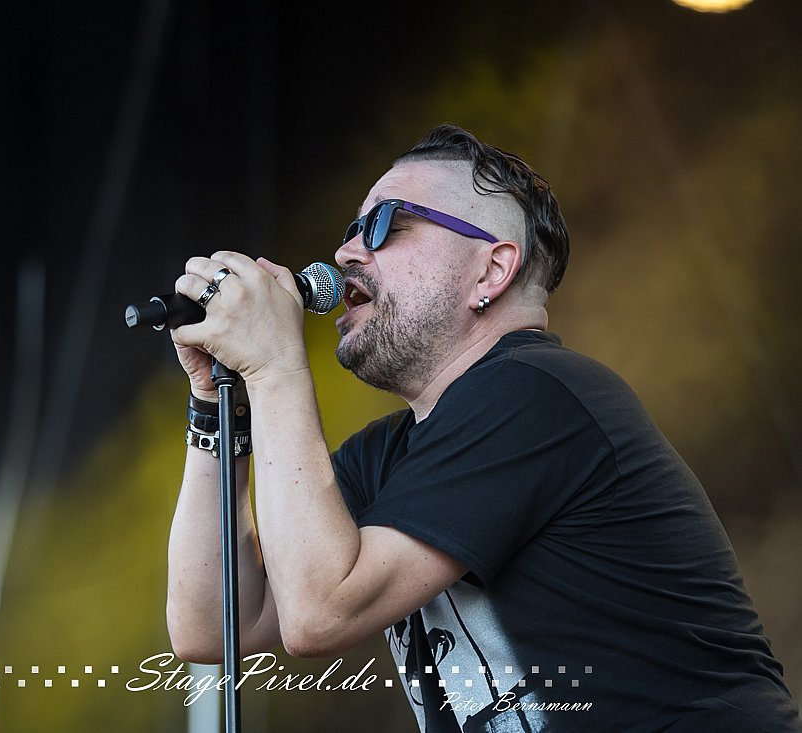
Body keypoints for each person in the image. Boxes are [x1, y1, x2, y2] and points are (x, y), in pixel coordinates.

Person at [163, 123, 800, 732]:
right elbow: (215, 626)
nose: (346, 252)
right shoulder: (386, 456)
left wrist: (276, 366)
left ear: (492, 271)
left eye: (385, 225)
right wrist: (218, 409)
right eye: (352, 229)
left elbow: (320, 614)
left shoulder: (539, 394)